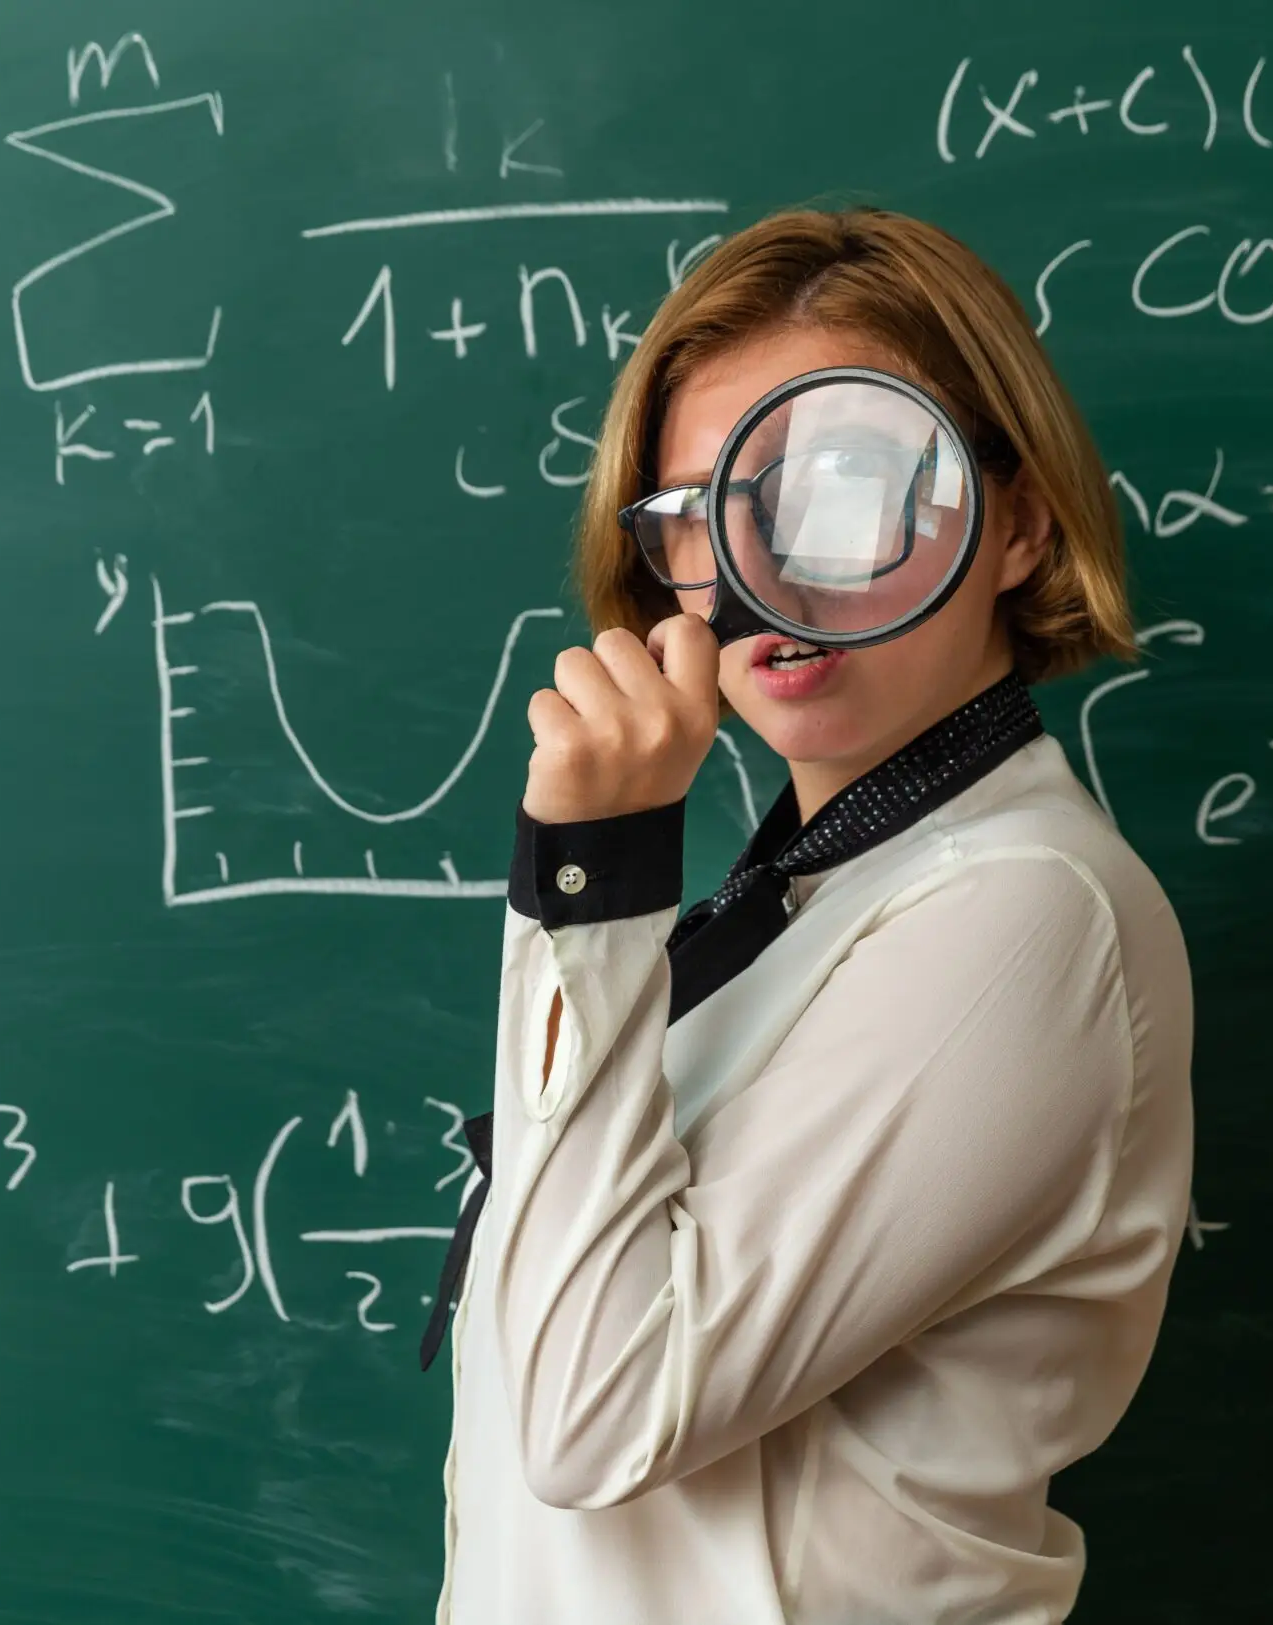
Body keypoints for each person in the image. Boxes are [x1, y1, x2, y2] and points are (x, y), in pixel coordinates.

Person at [429, 207, 1195, 1625]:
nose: (762, 565)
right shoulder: (809, 890)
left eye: (841, 492)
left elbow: (596, 1418)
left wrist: (591, 876)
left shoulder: (1027, 913)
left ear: (1016, 524)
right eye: (699, 511)